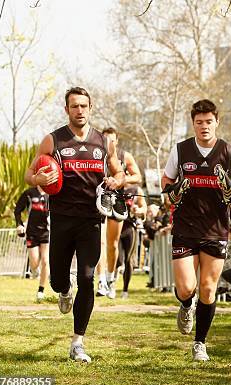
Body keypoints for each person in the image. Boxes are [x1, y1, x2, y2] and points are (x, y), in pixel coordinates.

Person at [24, 87, 125, 363]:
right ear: (66, 109)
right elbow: (29, 174)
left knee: (88, 278)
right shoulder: (53, 140)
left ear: (90, 108)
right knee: (57, 279)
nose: (79, 110)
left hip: (92, 220)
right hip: (61, 219)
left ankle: (78, 342)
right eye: (74, 106)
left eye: (84, 106)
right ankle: (64, 289)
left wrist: (117, 181)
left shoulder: (104, 143)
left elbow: (118, 172)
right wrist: (38, 181)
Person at [161, 99, 231, 362]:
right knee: (187, 287)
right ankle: (186, 305)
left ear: (216, 122)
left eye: (208, 121)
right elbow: (166, 179)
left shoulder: (229, 153)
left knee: (208, 289)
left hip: (215, 229)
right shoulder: (181, 150)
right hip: (186, 227)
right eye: (199, 122)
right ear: (193, 124)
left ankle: (200, 343)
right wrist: (172, 190)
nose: (204, 127)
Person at [100, 127, 142, 299]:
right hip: (97, 199)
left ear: (116, 141)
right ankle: (101, 280)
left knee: (112, 245)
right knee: (100, 243)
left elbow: (137, 177)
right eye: (105, 140)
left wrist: (120, 179)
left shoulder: (125, 156)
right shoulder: (95, 154)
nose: (108, 143)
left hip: (117, 201)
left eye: (112, 139)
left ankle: (110, 278)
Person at [14, 186, 50, 301]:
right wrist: (19, 225)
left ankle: (41, 290)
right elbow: (17, 210)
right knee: (34, 263)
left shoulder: (52, 194)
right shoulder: (29, 193)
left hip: (46, 232)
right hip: (32, 233)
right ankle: (35, 271)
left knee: (45, 261)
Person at [116, 184, 147, 299]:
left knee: (129, 259)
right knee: (117, 260)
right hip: (115, 226)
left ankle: (125, 290)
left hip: (129, 227)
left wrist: (138, 210)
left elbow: (144, 208)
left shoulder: (136, 189)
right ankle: (111, 281)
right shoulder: (113, 185)